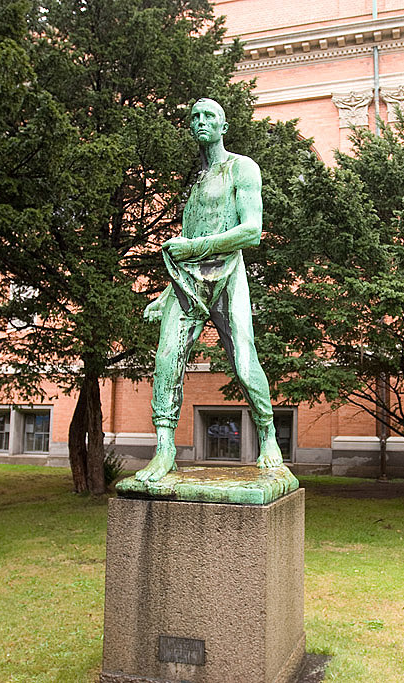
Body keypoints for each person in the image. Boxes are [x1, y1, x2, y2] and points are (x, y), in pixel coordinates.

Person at [136, 98, 284, 483]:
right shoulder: (197, 184)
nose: (201, 121)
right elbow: (184, 249)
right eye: (195, 117)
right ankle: (165, 448)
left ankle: (268, 434)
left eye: (209, 116)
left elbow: (251, 231)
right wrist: (164, 296)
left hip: (229, 274)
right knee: (167, 357)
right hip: (188, 282)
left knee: (244, 362)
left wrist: (194, 248)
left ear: (223, 126)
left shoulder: (242, 168)